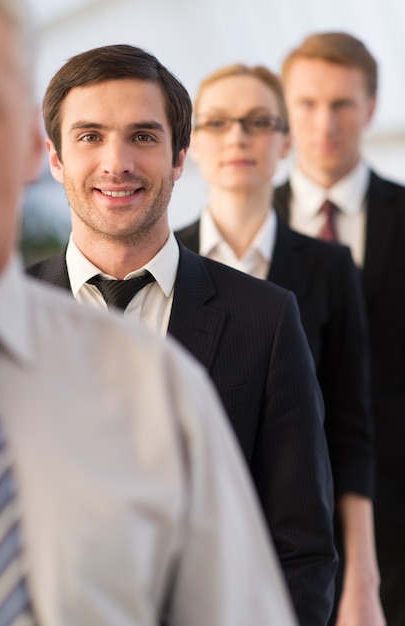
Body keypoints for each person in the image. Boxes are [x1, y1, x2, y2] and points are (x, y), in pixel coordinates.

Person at [0, 1, 303, 625]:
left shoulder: (192, 369)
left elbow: (297, 548)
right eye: (89, 137)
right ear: (52, 156)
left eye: (143, 136)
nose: (116, 163)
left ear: (180, 159)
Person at [175, 62, 382, 626]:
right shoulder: (163, 263)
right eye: (217, 123)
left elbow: (349, 429)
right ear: (190, 145)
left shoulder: (329, 268)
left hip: (300, 549)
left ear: (285, 141)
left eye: (258, 121)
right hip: (188, 547)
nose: (238, 137)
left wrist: (362, 577)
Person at [274, 31, 405, 626]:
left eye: (342, 104)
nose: (324, 122)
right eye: (306, 103)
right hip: (277, 514)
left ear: (372, 108)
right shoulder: (239, 231)